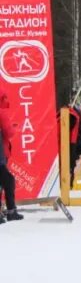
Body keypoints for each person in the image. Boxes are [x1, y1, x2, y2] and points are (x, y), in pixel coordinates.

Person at [0, 90, 22, 222]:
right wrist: (14, 128)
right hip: (1, 154)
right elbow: (9, 132)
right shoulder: (2, 113)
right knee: (8, 181)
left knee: (5, 182)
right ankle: (11, 211)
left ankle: (8, 211)